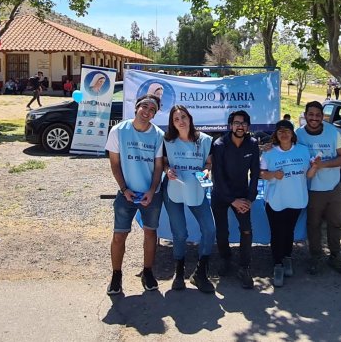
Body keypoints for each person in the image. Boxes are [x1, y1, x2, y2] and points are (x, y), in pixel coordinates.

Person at [104, 93, 164, 295]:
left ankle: (147, 272)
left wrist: (151, 191)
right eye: (145, 107)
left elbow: (158, 167)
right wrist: (124, 189)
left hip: (151, 194)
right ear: (137, 107)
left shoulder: (158, 135)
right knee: (119, 234)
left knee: (150, 233)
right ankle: (116, 275)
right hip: (126, 193)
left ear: (155, 115)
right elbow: (114, 163)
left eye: (152, 110)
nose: (147, 112)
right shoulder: (118, 131)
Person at [163, 105, 215, 293]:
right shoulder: (167, 141)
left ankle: (200, 273)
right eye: (176, 119)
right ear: (172, 123)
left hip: (196, 189)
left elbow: (208, 162)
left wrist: (207, 170)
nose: (181, 122)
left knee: (209, 230)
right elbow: (164, 163)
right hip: (174, 190)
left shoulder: (205, 140)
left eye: (183, 117)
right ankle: (179, 273)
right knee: (180, 234)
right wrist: (167, 170)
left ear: (190, 117)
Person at [295, 101, 341, 275]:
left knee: (336, 223)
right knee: (313, 225)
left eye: (318, 115)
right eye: (311, 114)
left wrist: (323, 165)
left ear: (322, 116)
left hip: (333, 188)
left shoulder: (332, 132)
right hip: (311, 188)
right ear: (305, 115)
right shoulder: (298, 134)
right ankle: (316, 257)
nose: (314, 118)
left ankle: (335, 257)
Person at [260, 119, 316, 287]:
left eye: (287, 131)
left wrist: (315, 167)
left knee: (289, 230)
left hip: (296, 198)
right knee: (277, 233)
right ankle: (277, 264)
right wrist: (273, 175)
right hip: (275, 200)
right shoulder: (269, 153)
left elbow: (309, 175)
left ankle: (287, 257)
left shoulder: (303, 151)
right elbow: (261, 173)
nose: (284, 134)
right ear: (276, 135)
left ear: (293, 134)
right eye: (280, 132)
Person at [211, 110, 260, 289]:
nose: (240, 126)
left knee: (246, 230)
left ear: (248, 126)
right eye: (237, 122)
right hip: (221, 195)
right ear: (230, 125)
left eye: (244, 123)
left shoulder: (253, 144)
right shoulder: (219, 144)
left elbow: (255, 174)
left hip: (242, 195)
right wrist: (233, 200)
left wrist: (249, 199)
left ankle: (244, 266)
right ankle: (226, 259)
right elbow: (218, 176)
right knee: (222, 232)